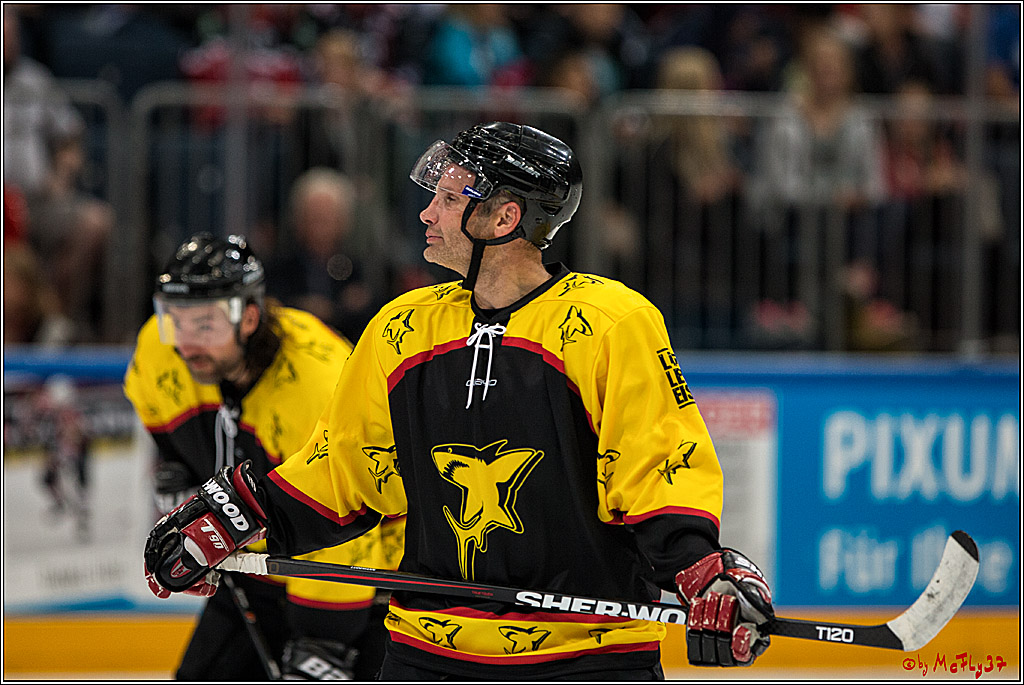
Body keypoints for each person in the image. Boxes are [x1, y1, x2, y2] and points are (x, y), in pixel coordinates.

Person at [142, 123, 774, 679]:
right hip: (429, 656)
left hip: (584, 657)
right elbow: (345, 473)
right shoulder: (400, 328)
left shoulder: (609, 321)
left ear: (504, 220)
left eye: (447, 199)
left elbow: (656, 461)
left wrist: (701, 568)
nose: (427, 214)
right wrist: (235, 514)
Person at [124, 233, 403, 680]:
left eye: (205, 325)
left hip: (364, 584)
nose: (185, 341)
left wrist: (324, 636)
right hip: (254, 572)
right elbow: (153, 408)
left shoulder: (318, 381)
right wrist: (177, 465)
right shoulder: (162, 350)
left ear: (248, 316)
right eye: (173, 319)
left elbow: (346, 509)